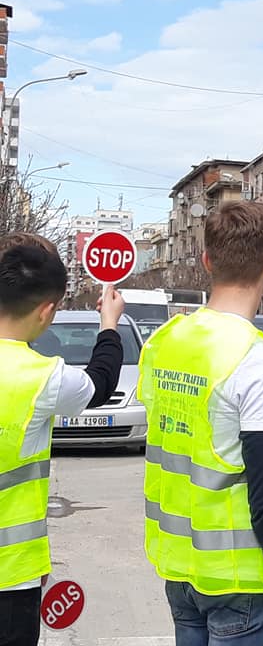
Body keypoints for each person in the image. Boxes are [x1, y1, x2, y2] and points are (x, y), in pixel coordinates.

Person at [138, 202, 263, 646]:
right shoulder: (259, 361)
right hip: (242, 583)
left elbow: (209, 414)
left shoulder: (166, 342)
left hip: (182, 569)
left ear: (206, 261)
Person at [0, 233, 125, 646]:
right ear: (48, 310)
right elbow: (101, 381)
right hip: (11, 573)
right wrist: (109, 324)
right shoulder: (42, 378)